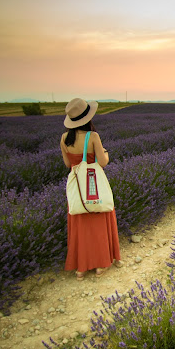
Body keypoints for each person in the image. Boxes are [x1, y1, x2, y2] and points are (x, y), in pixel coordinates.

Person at [61, 98, 121, 280]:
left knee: (80, 224)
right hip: (92, 184)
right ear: (87, 118)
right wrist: (106, 155)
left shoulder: (64, 138)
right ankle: (100, 264)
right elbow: (102, 162)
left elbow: (67, 163)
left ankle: (80, 269)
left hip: (77, 187)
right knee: (98, 220)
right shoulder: (92, 137)